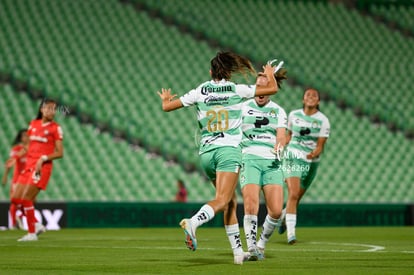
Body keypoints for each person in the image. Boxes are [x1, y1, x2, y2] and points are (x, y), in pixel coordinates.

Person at [157, 51, 279, 264]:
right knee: (222, 200)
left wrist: (166, 99)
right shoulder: (236, 89)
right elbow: (272, 90)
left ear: (211, 71)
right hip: (228, 151)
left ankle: (237, 253)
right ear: (229, 72)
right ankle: (193, 222)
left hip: (206, 153)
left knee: (230, 201)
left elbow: (167, 107)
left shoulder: (201, 90)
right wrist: (270, 74)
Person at [240, 68, 288, 260]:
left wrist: (279, 147)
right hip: (249, 157)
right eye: (257, 86)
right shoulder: (243, 107)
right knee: (251, 204)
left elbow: (282, 136)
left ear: (271, 88)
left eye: (264, 86)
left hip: (272, 161)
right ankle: (251, 248)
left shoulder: (278, 110)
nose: (260, 91)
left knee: (276, 210)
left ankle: (261, 244)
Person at [279, 88, 330, 244]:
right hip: (293, 156)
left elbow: (320, 146)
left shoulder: (323, 120)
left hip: (311, 162)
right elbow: (288, 135)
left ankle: (283, 216)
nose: (311, 97)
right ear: (303, 99)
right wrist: (280, 144)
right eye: (308, 94)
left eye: (314, 95)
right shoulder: (294, 115)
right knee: (293, 193)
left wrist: (315, 152)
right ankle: (291, 234)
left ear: (318, 101)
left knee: (297, 197)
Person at [11, 98, 64, 241]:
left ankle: (32, 233)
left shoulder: (55, 128)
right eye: (48, 108)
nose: (51, 111)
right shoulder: (33, 125)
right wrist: (16, 157)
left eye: (54, 109)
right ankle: (36, 225)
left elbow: (60, 152)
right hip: (28, 165)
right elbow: (28, 146)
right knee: (16, 199)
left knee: (27, 198)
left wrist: (43, 158)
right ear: (41, 109)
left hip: (41, 167)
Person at [2, 129, 29, 229]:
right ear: (21, 138)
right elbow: (9, 163)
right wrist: (5, 177)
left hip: (28, 179)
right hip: (17, 179)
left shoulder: (31, 148)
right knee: (15, 201)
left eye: (28, 135)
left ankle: (19, 217)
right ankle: (13, 224)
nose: (27, 137)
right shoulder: (16, 149)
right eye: (24, 136)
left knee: (31, 201)